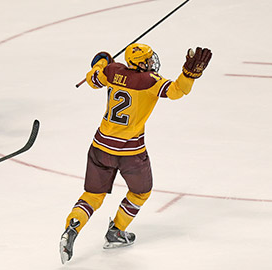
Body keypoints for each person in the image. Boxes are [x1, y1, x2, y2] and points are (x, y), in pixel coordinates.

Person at [59, 44, 212, 264]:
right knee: (140, 193)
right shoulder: (149, 81)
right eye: (149, 60)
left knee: (92, 195)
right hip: (131, 151)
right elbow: (178, 90)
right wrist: (188, 75)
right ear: (141, 63)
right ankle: (117, 231)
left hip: (100, 146)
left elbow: (93, 79)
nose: (151, 63)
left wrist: (102, 61)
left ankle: (72, 226)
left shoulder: (112, 72)